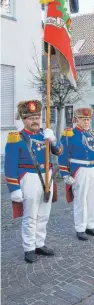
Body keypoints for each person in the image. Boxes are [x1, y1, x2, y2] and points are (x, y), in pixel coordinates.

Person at [4, 100, 62, 263]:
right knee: (30, 215)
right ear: (23, 119)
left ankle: (39, 243)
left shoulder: (45, 134)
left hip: (47, 177)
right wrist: (14, 188)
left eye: (37, 116)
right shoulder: (16, 137)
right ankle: (29, 247)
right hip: (29, 178)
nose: (35, 120)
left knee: (44, 214)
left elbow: (59, 152)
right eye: (30, 117)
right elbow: (9, 165)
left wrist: (54, 141)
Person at [59, 108, 94, 241]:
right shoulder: (69, 134)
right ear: (76, 119)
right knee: (80, 200)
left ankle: (90, 225)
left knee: (92, 199)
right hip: (80, 169)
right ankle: (80, 228)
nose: (86, 122)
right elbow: (63, 154)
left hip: (93, 168)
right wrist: (65, 173)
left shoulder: (92, 134)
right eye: (83, 119)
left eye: (88, 119)